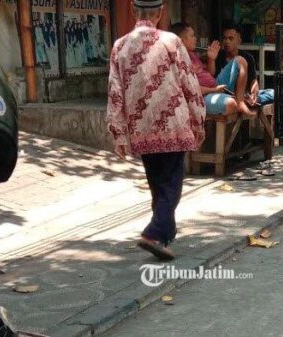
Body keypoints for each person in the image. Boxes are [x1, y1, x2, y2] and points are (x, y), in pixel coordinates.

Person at [106, 0, 206, 260]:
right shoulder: (172, 41)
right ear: (160, 13)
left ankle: (165, 234)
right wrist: (198, 119)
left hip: (142, 129)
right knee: (171, 185)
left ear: (132, 10)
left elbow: (115, 93)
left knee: (158, 184)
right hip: (173, 124)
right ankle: (154, 233)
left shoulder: (120, 46)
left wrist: (118, 132)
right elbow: (189, 83)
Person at [170, 22, 255, 117]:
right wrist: (213, 90)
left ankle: (240, 102)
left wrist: (211, 59)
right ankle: (237, 100)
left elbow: (210, 74)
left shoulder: (192, 54)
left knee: (240, 60)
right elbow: (190, 89)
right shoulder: (180, 60)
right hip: (202, 96)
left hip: (215, 86)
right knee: (231, 104)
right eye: (192, 36)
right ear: (182, 40)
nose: (195, 38)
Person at [209, 23, 261, 107]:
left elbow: (253, 81)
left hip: (245, 95)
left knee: (272, 94)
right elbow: (211, 77)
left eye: (231, 38)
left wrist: (254, 94)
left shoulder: (248, 57)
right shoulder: (217, 55)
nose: (227, 41)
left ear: (239, 41)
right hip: (225, 95)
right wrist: (211, 59)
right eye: (224, 38)